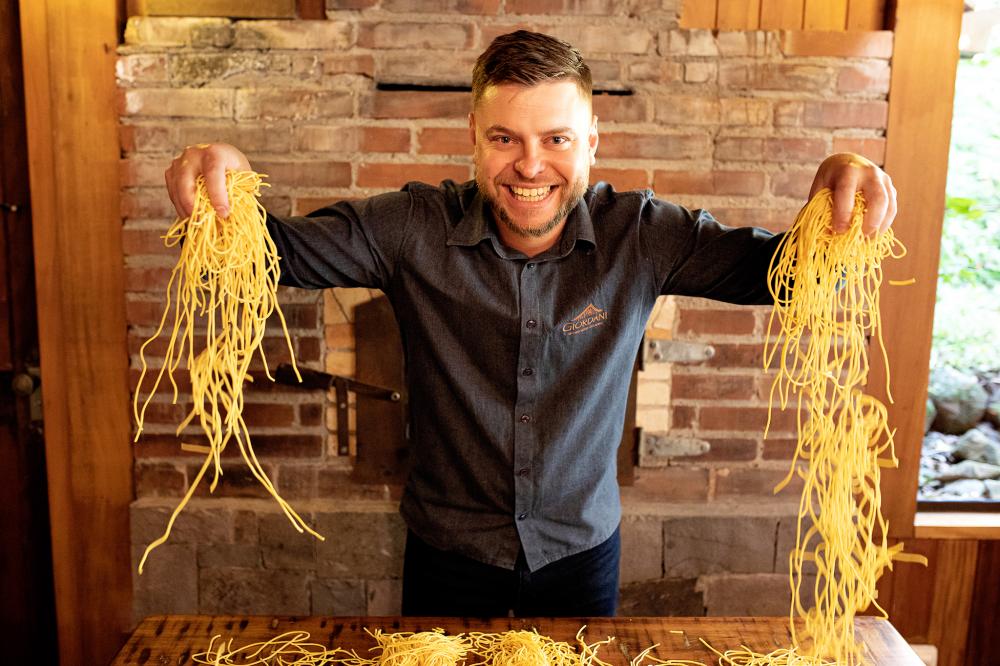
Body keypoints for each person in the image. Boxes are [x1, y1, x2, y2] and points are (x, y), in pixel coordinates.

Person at [163, 30, 897, 617]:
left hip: (581, 557)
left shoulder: (642, 233)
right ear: (474, 135)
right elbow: (269, 252)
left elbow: (786, 276)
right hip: (447, 556)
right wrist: (220, 177)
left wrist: (846, 182)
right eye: (505, 138)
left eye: (556, 138)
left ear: (593, 139)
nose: (530, 165)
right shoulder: (411, 226)